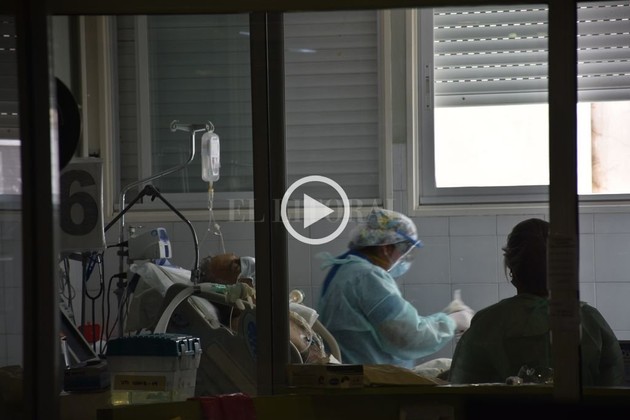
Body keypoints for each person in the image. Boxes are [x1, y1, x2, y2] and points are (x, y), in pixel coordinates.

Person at [449, 218, 625, 386]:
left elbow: (462, 389)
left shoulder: (487, 324)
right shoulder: (589, 321)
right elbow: (614, 389)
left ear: (512, 269)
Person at [317, 208, 474, 369]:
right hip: (370, 379)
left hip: (356, 373)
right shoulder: (367, 277)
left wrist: (444, 318)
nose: (403, 258)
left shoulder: (346, 270)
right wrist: (452, 321)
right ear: (386, 248)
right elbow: (408, 335)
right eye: (404, 249)